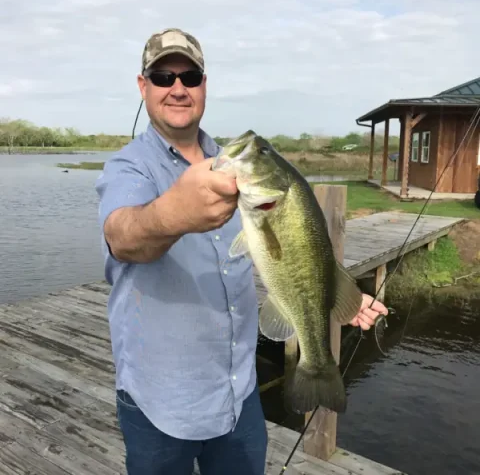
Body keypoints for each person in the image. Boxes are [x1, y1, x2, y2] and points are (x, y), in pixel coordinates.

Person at [95, 27, 389, 475]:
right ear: (143, 86)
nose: (178, 87)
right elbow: (123, 236)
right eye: (163, 76)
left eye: (190, 76)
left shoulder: (229, 165)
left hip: (238, 397)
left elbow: (291, 254)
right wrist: (174, 213)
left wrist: (341, 296)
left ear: (204, 86)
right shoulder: (128, 166)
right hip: (161, 405)